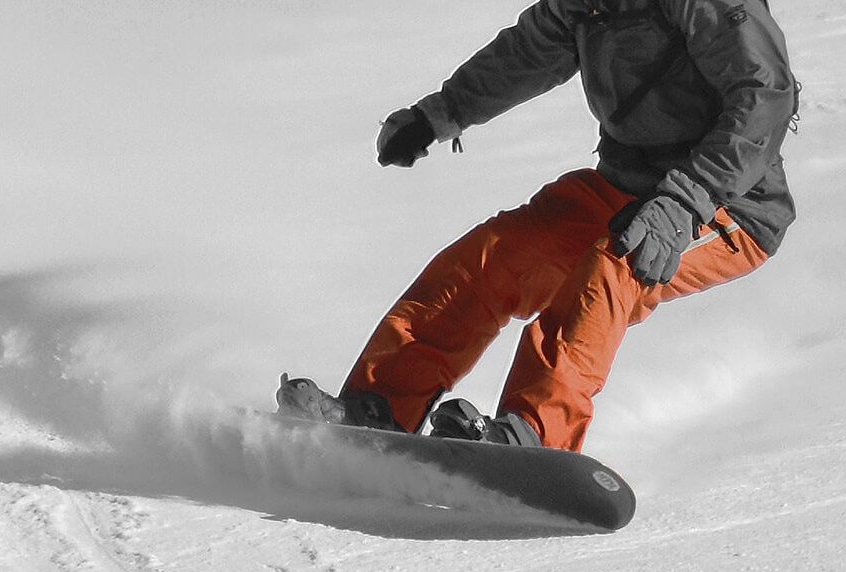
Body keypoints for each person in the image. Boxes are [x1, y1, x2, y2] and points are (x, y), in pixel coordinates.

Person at [277, 0, 797, 453]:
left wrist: (684, 201)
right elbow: (528, 52)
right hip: (626, 186)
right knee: (497, 256)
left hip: (726, 203)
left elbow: (765, 93)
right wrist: (439, 114)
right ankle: (378, 410)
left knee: (615, 264)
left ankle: (531, 436)